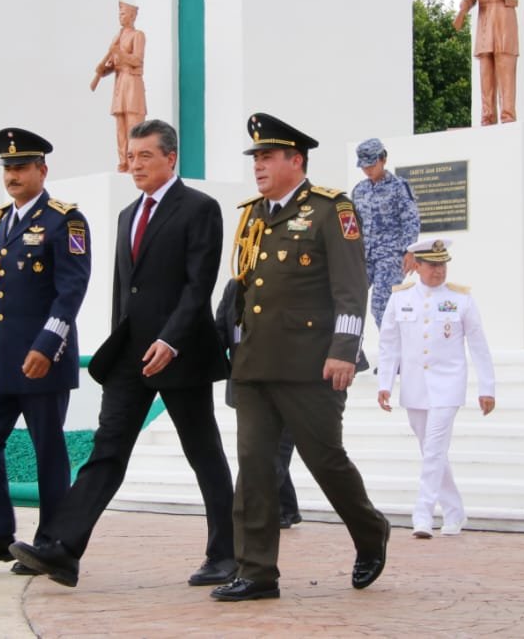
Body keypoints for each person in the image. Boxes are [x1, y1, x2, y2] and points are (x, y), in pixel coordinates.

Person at [9, 120, 235, 589]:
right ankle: (63, 549)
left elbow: (199, 287)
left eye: (145, 157)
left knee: (204, 453)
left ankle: (225, 554)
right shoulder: (127, 214)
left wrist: (171, 340)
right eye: (131, 158)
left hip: (181, 354)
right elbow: (123, 290)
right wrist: (119, 345)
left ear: (171, 158)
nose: (135, 166)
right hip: (131, 357)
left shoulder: (200, 208)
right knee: (107, 450)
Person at [210, 112, 389, 602]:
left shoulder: (333, 209)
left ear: (296, 160)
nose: (259, 167)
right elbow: (246, 290)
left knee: (324, 460)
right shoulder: (251, 214)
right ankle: (256, 571)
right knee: (254, 467)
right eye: (256, 159)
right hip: (255, 365)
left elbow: (353, 289)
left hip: (313, 365)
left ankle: (371, 532)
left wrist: (344, 352)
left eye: (268, 157)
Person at [0, 128, 92, 576]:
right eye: (8, 168)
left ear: (41, 170)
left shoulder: (64, 220)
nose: (12, 176)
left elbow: (70, 291)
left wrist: (48, 345)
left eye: (21, 167)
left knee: (48, 448)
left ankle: (50, 541)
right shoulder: (2, 221)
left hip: (41, 357)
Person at [376, 238, 495, 539]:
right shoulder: (400, 299)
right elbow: (389, 344)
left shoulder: (461, 299)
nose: (439, 271)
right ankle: (454, 511)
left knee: (433, 449)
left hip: (448, 385)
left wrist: (487, 387)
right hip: (415, 385)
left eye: (443, 264)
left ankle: (423, 514)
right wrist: (385, 383)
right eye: (432, 265)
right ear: (417, 266)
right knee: (432, 451)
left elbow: (479, 346)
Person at [214, 279, 303, 529]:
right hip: (246, 386)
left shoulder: (293, 279)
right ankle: (286, 507)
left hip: (286, 382)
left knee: (273, 452)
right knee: (259, 449)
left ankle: (248, 515)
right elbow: (220, 331)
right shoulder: (235, 287)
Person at [454, 0, 521, 125]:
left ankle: (507, 115)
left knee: (504, 64)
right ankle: (487, 117)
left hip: (502, 15)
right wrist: (465, 4)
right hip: (484, 17)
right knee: (485, 69)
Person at [352, 138, 421, 327]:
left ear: (383, 159)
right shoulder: (359, 190)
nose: (368, 170)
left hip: (390, 256)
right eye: (364, 166)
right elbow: (354, 225)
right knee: (349, 300)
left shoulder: (400, 186)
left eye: (372, 164)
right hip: (364, 256)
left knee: (381, 306)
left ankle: (393, 352)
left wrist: (410, 251)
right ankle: (351, 351)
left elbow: (411, 219)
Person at [90, 1, 146, 172]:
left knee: (133, 125)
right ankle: (123, 162)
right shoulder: (118, 37)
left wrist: (120, 53)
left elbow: (137, 60)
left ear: (132, 16)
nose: (120, 17)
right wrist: (103, 69)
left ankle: (134, 163)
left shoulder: (138, 35)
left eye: (123, 14)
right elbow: (113, 64)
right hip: (120, 83)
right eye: (119, 14)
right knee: (120, 127)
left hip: (132, 83)